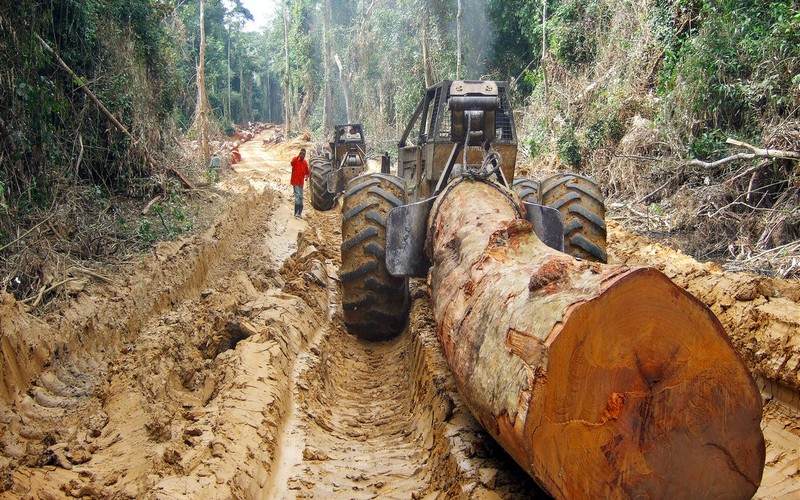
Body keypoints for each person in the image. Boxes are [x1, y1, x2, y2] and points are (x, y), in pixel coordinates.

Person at [290, 148, 310, 218]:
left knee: (301, 197)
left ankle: (299, 213)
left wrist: (307, 176)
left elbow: (307, 172)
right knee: (297, 196)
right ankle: (296, 213)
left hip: (301, 183)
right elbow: (292, 163)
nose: (302, 155)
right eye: (301, 154)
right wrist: (298, 156)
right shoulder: (295, 160)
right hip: (295, 181)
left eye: (304, 154)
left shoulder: (305, 163)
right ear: (299, 153)